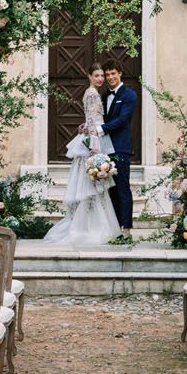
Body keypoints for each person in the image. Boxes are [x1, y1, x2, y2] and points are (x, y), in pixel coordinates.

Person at [43, 65, 120, 246]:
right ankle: (90, 227)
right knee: (91, 185)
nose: (101, 79)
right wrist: (94, 145)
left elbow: (90, 118)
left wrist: (84, 126)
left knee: (91, 185)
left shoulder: (91, 93)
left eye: (102, 75)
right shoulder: (92, 93)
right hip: (93, 139)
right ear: (89, 76)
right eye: (97, 75)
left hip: (93, 134)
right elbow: (93, 120)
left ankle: (88, 223)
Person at [101, 63, 137, 244]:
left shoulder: (129, 95)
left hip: (121, 148)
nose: (110, 77)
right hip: (106, 150)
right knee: (112, 190)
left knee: (123, 189)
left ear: (120, 73)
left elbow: (123, 120)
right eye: (107, 74)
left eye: (113, 73)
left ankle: (127, 230)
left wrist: (102, 129)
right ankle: (116, 229)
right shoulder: (105, 95)